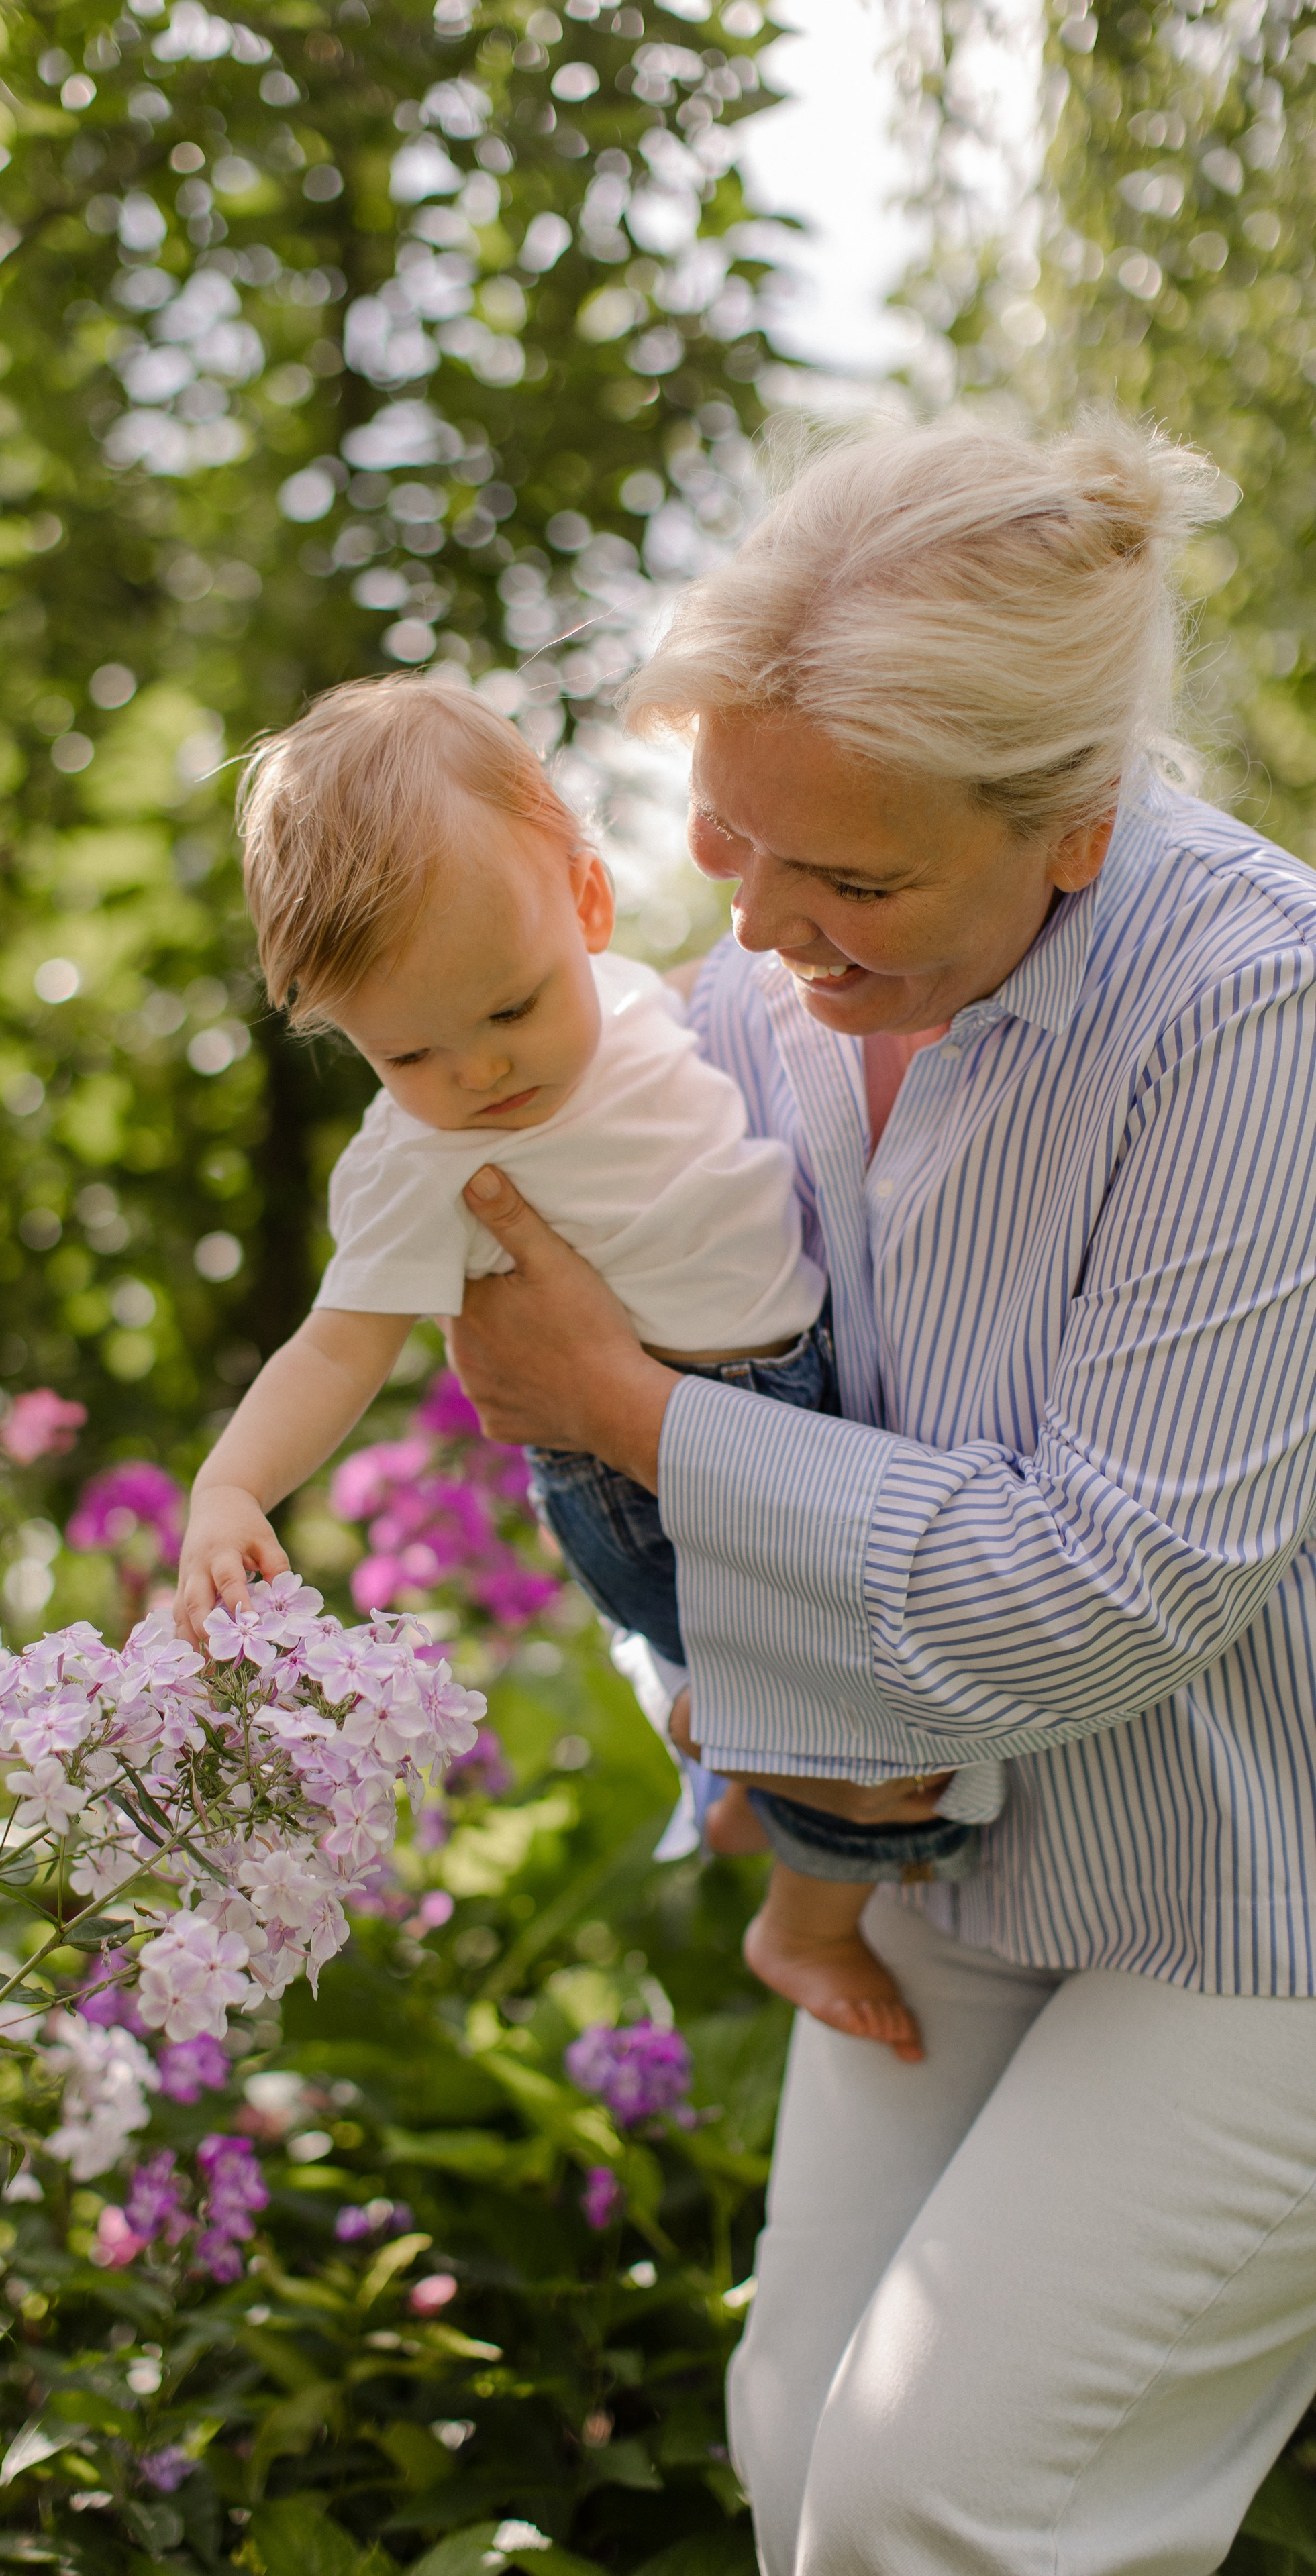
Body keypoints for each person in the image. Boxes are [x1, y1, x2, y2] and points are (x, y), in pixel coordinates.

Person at [440, 414, 1316, 2576]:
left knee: (947, 2500)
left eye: (857, 880)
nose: (774, 937)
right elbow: (705, 1437)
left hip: (1262, 1896)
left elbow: (1101, 1595)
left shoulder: (1257, 1010)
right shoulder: (755, 997)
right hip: (953, 1855)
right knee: (798, 2425)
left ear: (1077, 831)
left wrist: (631, 1415)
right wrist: (704, 1695)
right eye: (735, 847)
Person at [170, 674, 999, 2055]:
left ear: (588, 907)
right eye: (409, 1051)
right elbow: (337, 1344)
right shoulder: (414, 1161)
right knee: (857, 1720)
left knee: (841, 1673)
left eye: (507, 1008)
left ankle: (731, 1781)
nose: (480, 1073)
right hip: (642, 1475)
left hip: (778, 1397)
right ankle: (801, 1922)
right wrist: (228, 1486)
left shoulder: (626, 999)